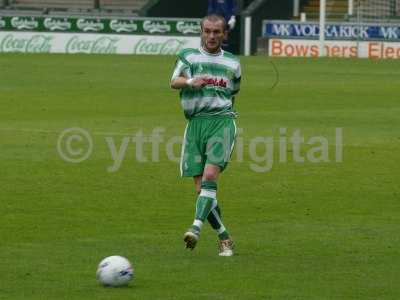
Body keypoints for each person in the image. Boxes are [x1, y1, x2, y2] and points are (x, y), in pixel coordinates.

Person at [170, 14, 241, 257]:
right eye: (207, 31)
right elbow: (173, 81)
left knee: (211, 175)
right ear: (201, 32)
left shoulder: (233, 63)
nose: (211, 36)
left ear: (224, 34)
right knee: (202, 189)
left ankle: (195, 227)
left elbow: (234, 93)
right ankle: (224, 237)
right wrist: (191, 81)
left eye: (216, 32)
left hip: (221, 122)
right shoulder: (188, 56)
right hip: (195, 125)